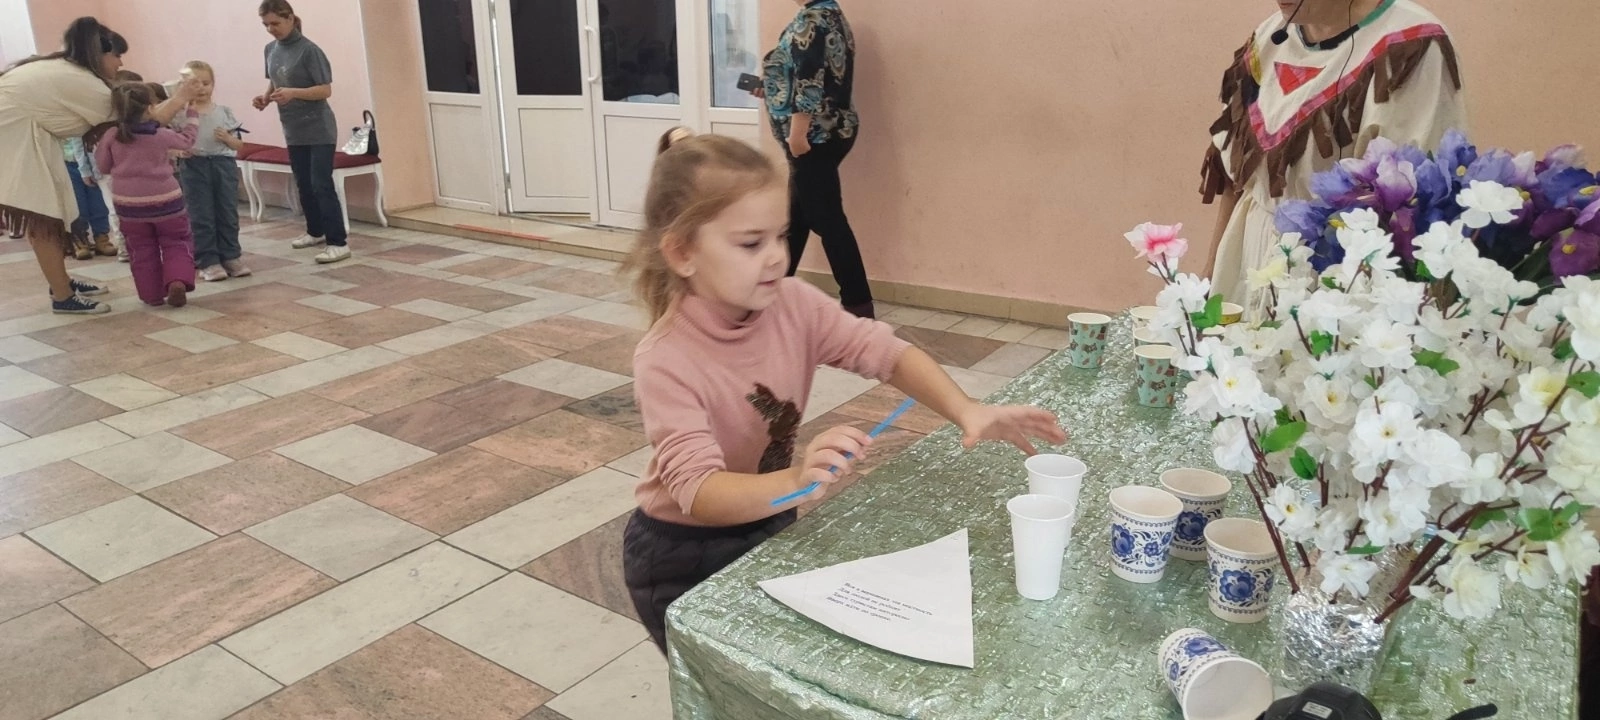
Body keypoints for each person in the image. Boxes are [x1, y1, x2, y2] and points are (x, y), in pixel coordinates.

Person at [620, 131, 1068, 653]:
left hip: (769, 512)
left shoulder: (793, 303)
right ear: (682, 253)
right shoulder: (666, 359)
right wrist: (795, 479)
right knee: (716, 679)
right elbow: (698, 492)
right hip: (680, 552)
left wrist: (967, 410)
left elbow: (885, 352)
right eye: (750, 243)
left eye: (782, 236)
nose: (776, 257)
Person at [1200, 0, 1467, 313]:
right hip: (1247, 262)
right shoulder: (1270, 36)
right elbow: (1236, 176)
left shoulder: (1411, 45)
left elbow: (1416, 208)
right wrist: (1210, 274)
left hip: (1340, 281)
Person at [0, 17, 197, 314]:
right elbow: (147, 121)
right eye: (117, 55)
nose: (120, 63)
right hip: (13, 136)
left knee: (52, 212)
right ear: (100, 53)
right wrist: (182, 97)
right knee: (44, 215)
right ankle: (63, 296)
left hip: (21, 132)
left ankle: (61, 282)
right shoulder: (83, 82)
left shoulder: (64, 68)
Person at [755, 0, 873, 318]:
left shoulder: (812, 20)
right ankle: (773, 294)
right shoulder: (830, 14)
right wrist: (772, 87)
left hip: (815, 136)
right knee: (797, 219)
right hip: (830, 130)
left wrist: (798, 134)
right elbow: (810, 73)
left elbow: (810, 81)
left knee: (828, 221)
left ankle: (859, 308)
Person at [253, 0, 348, 264]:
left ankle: (338, 242)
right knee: (303, 183)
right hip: (293, 128)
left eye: (275, 23)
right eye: (266, 25)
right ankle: (315, 231)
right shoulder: (270, 49)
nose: (271, 29)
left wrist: (294, 93)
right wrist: (265, 98)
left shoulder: (309, 50)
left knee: (321, 184)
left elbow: (325, 90)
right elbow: (275, 81)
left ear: (290, 19)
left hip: (319, 128)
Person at [94, 83, 199, 308]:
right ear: (151, 108)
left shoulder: (111, 135)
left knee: (140, 249)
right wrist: (192, 116)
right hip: (167, 201)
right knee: (177, 242)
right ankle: (177, 280)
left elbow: (102, 166)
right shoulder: (161, 134)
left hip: (129, 206)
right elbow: (187, 141)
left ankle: (151, 295)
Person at [177, 61, 250, 282]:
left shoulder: (224, 112)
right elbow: (170, 143)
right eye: (194, 83)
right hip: (194, 166)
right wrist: (179, 151)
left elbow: (239, 144)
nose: (201, 88)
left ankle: (231, 256)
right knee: (201, 214)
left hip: (223, 165)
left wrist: (228, 138)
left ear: (213, 84)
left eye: (206, 83)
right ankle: (207, 260)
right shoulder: (180, 115)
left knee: (227, 212)